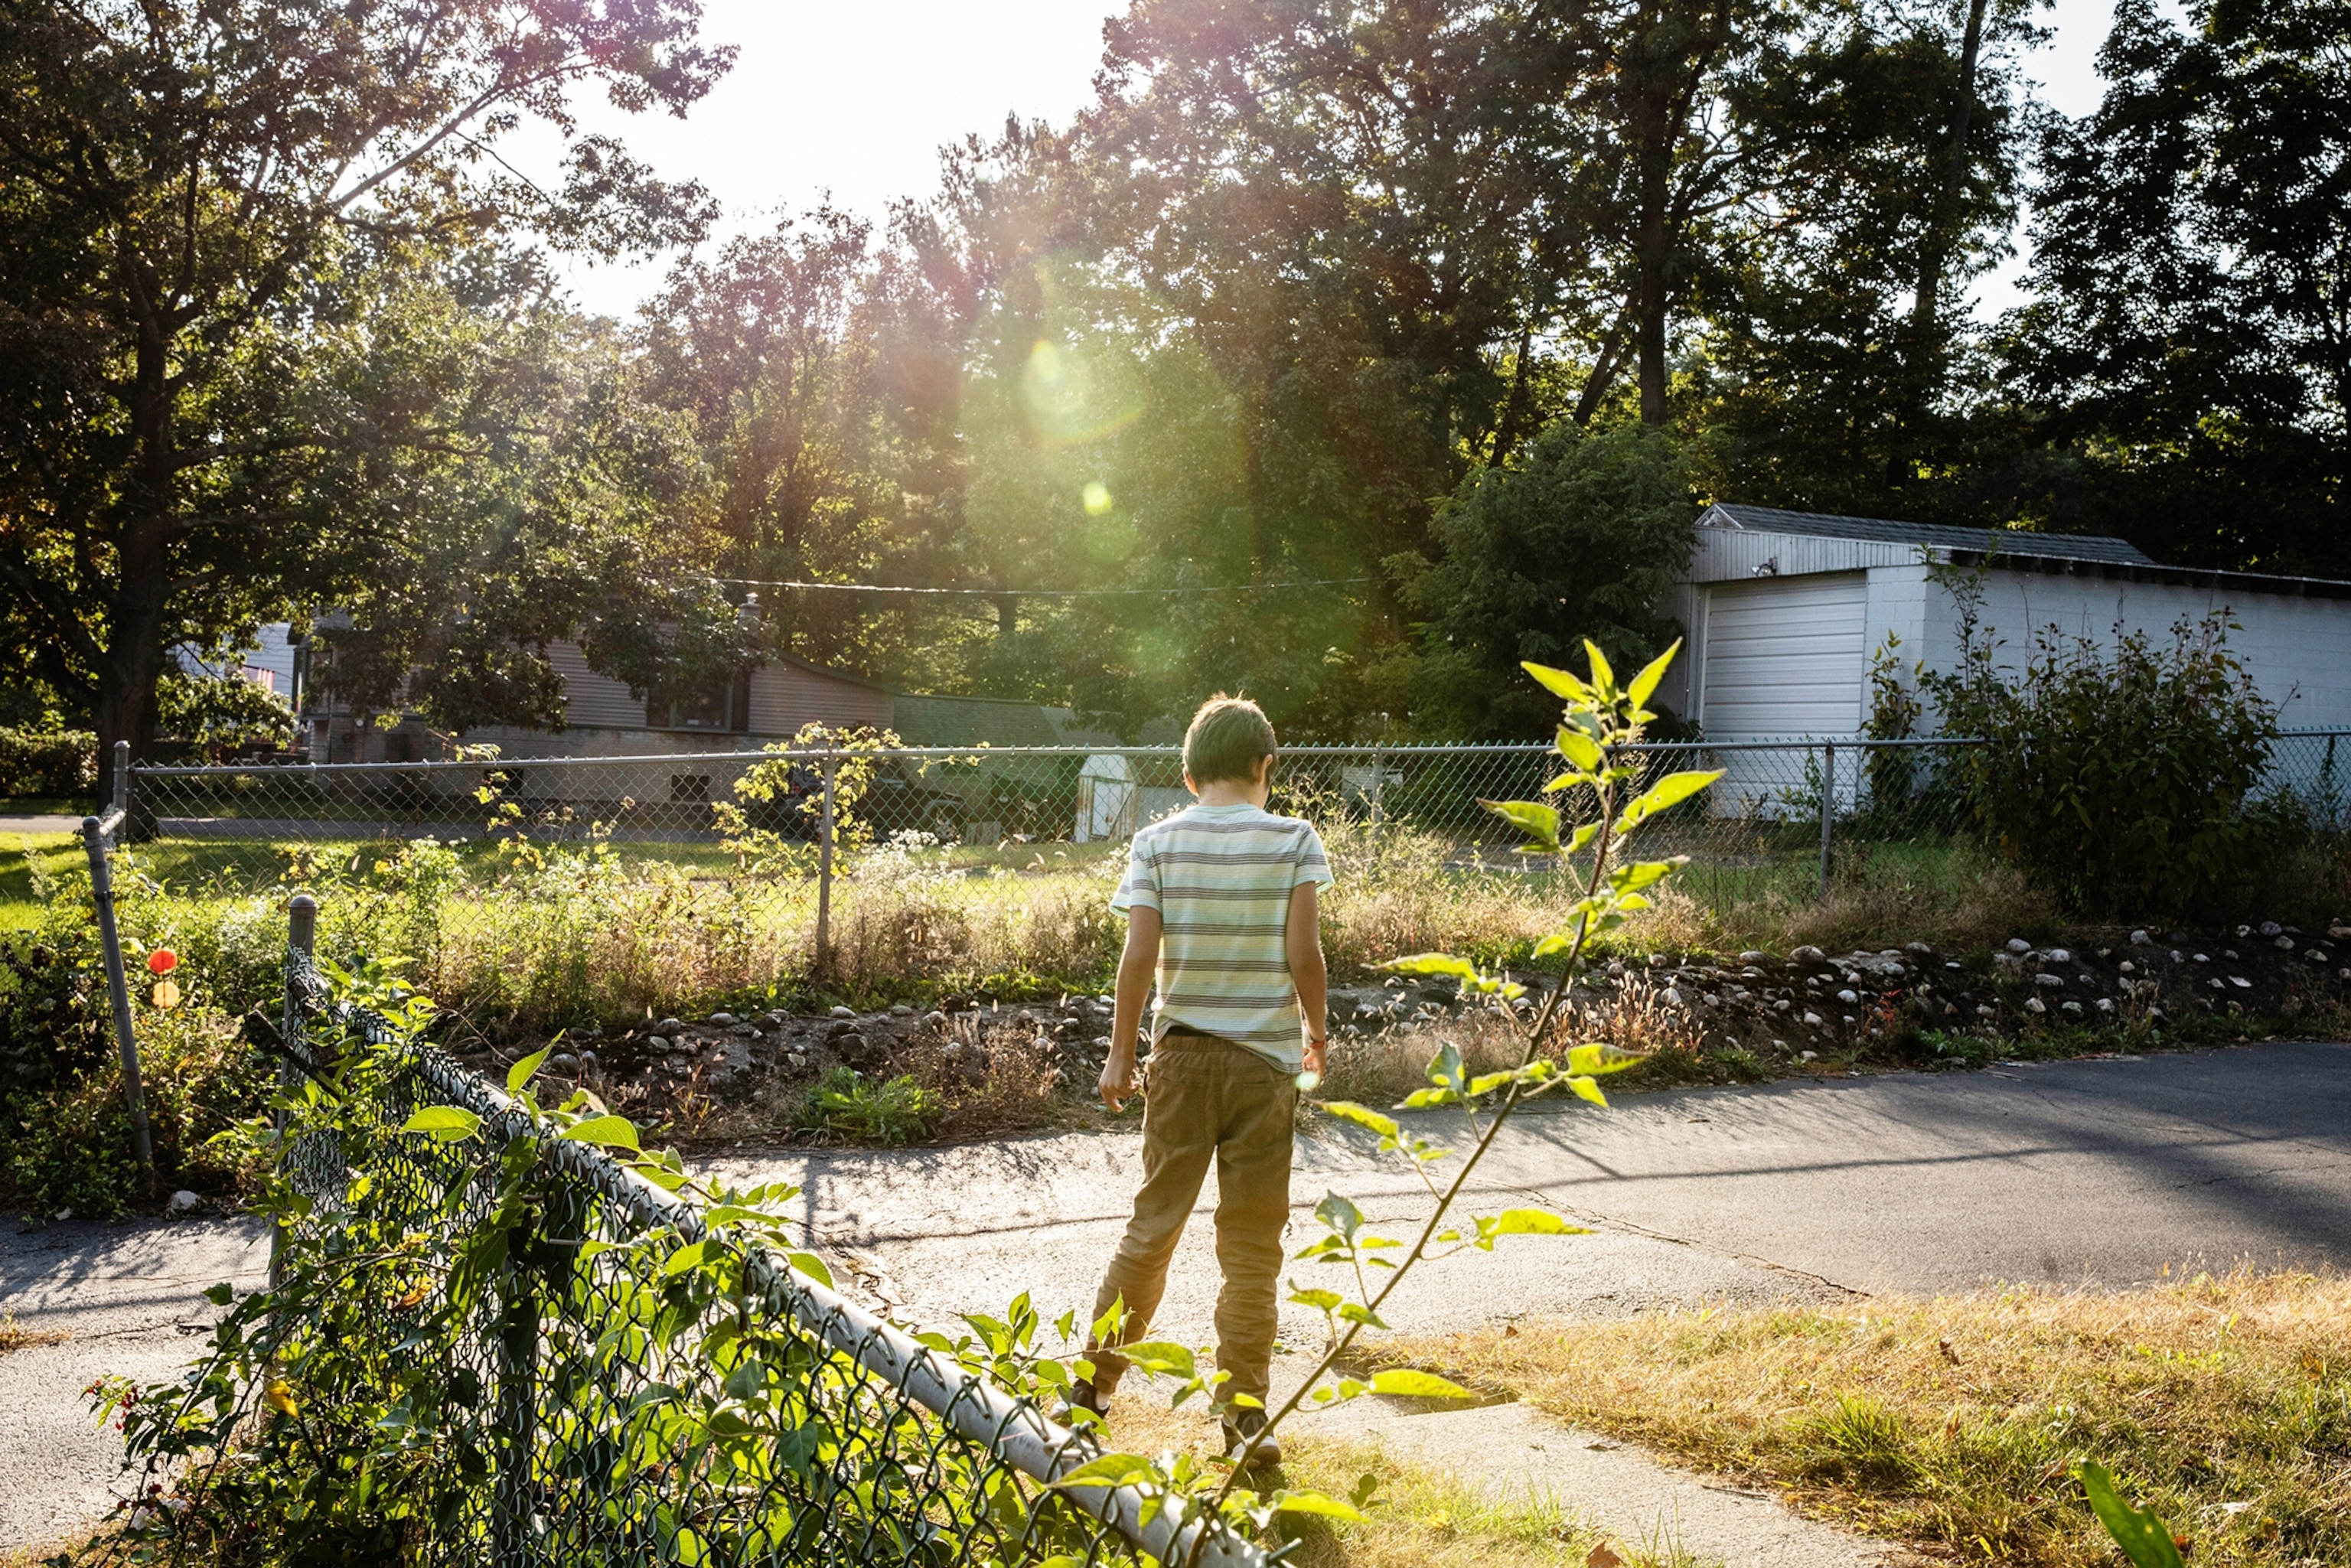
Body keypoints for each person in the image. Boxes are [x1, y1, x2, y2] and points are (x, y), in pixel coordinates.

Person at [1065, 695, 1332, 1468]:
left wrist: (1121, 1054)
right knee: (1252, 1245)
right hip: (1263, 1068)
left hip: (1178, 1061)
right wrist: (1316, 1032)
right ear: (1264, 767)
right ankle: (1246, 1418)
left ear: (1187, 776)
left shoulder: (1155, 842)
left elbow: (1138, 958)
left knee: (1152, 1229)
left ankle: (1090, 1392)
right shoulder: (1294, 840)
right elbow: (1304, 955)